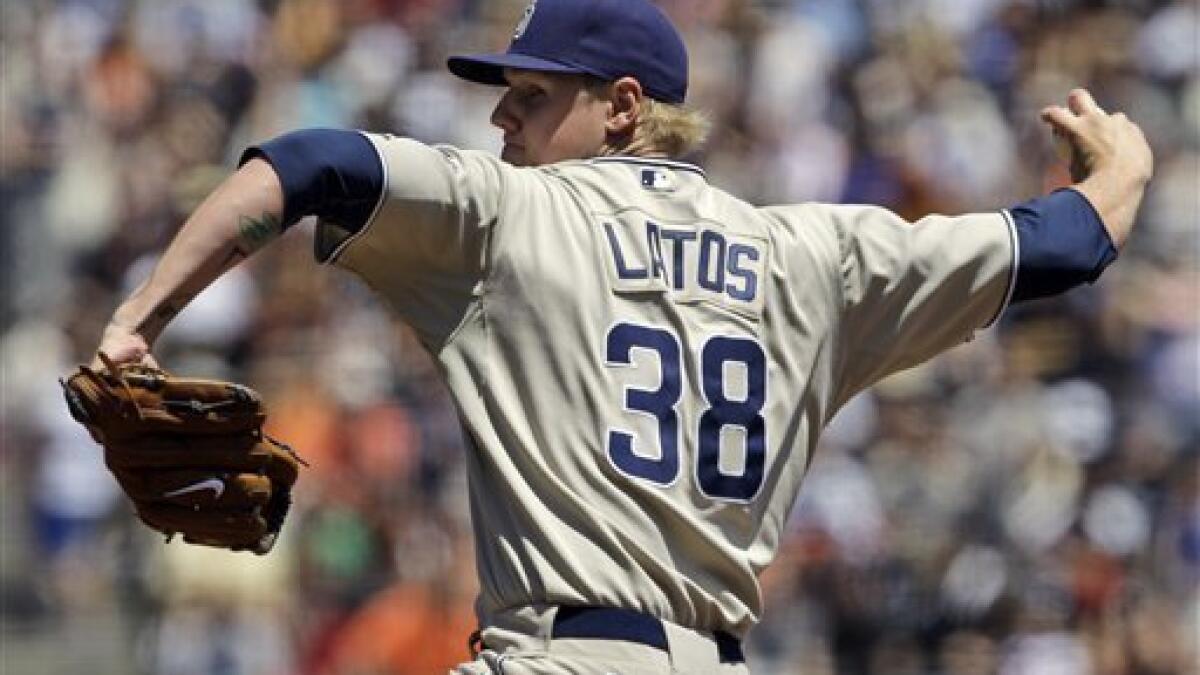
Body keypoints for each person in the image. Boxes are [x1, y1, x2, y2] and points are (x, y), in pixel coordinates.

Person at [91, 0, 1153, 672]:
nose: (502, 123)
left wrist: (138, 322)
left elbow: (313, 160)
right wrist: (1124, 168)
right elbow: (1065, 244)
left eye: (531, 98)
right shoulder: (815, 255)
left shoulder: (513, 215)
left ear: (622, 106)